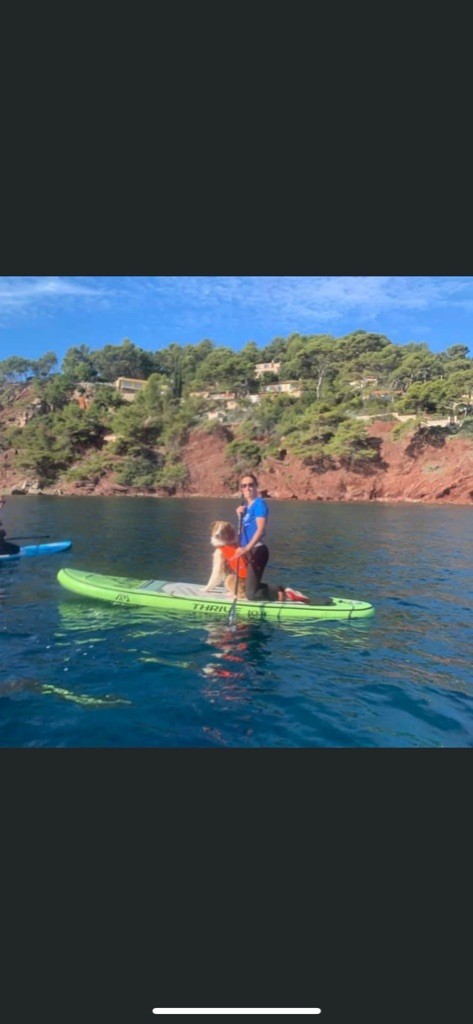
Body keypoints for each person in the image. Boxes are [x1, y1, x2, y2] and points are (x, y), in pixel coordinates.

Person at [235, 472, 275, 601]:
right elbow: (244, 529)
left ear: (256, 486)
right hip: (247, 551)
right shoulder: (246, 507)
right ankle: (263, 590)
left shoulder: (259, 504)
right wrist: (238, 515)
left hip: (257, 550)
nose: (247, 488)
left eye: (251, 485)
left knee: (250, 595)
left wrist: (246, 548)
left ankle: (281, 592)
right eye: (244, 485)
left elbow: (260, 529)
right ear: (241, 488)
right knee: (245, 587)